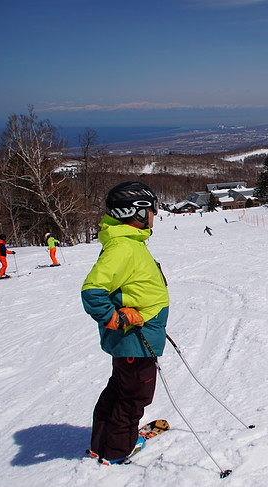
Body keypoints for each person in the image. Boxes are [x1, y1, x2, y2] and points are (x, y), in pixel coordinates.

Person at [81, 181, 169, 465]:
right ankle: (119, 451)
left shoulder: (127, 242)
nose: (155, 214)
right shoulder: (123, 247)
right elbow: (92, 292)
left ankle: (102, 445)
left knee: (119, 390)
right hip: (136, 340)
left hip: (137, 338)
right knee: (134, 396)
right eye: (152, 209)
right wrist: (115, 318)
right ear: (137, 211)